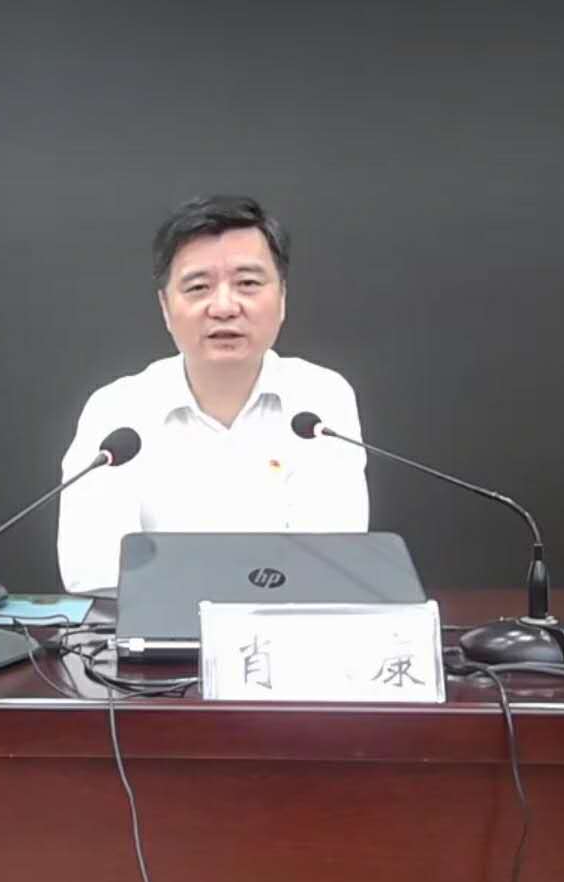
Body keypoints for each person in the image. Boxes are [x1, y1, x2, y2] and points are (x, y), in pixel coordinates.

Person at [56, 195, 369, 595]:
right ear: (165, 307)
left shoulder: (320, 399)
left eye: (248, 284)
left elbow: (334, 562)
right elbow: (93, 569)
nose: (224, 307)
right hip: (153, 633)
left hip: (289, 630)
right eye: (199, 287)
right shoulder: (116, 411)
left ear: (282, 298)